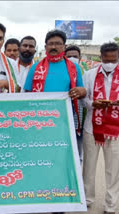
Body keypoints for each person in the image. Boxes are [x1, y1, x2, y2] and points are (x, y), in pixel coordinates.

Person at [24, 30, 86, 214]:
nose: (53, 47)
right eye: (50, 43)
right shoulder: (35, 68)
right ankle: (39, 198)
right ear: (45, 47)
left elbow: (82, 90)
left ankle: (59, 204)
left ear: (64, 47)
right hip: (39, 126)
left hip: (63, 126)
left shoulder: (74, 69)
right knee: (39, 162)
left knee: (61, 164)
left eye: (57, 43)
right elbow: (26, 94)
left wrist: (81, 91)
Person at [81, 42, 119, 214]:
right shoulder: (89, 75)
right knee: (89, 167)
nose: (110, 63)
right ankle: (87, 199)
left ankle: (111, 206)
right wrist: (92, 104)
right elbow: (83, 100)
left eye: (114, 59)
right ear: (101, 57)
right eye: (107, 59)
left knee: (114, 169)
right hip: (92, 127)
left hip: (115, 130)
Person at [65, 45, 86, 164]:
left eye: (75, 56)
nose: (72, 58)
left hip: (80, 120)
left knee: (78, 153)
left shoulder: (86, 74)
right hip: (64, 119)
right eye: (69, 56)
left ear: (80, 58)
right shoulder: (63, 72)